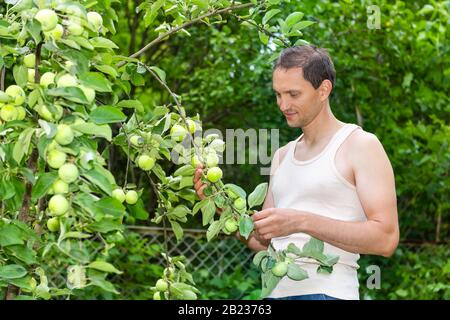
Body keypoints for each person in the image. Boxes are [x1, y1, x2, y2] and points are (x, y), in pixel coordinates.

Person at [193, 45, 399, 300]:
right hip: (273, 293)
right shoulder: (282, 155)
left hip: (328, 293)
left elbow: (386, 239)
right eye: (278, 94)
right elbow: (262, 241)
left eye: (293, 94)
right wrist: (222, 210)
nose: (283, 104)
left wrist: (300, 221)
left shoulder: (360, 145)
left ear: (323, 90)